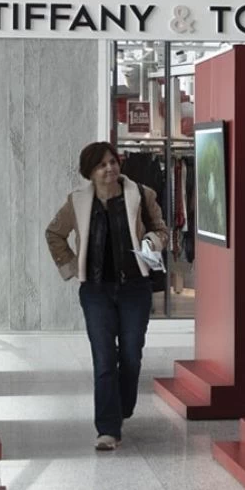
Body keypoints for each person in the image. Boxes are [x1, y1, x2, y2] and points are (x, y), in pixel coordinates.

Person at [45, 142, 169, 451]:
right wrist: (72, 266)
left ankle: (121, 409)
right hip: (96, 292)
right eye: (102, 165)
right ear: (90, 171)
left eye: (113, 162)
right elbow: (54, 233)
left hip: (135, 289)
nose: (110, 169)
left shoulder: (141, 195)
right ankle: (108, 429)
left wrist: (152, 241)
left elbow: (162, 230)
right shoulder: (77, 203)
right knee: (103, 358)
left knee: (130, 355)